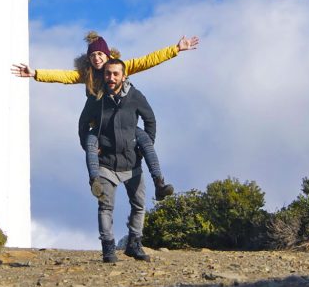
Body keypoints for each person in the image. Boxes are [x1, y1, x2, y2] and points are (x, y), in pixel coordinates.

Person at [12, 32, 198, 200]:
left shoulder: (120, 68)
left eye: (100, 54)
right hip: (100, 125)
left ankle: (159, 183)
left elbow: (147, 60)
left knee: (145, 139)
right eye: (92, 55)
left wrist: (176, 49)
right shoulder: (88, 75)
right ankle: (95, 182)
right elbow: (64, 76)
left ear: (107, 54)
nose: (96, 58)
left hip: (124, 123)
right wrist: (35, 73)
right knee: (90, 143)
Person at [78, 58, 156, 263]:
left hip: (132, 162)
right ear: (103, 75)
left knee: (139, 205)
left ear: (123, 75)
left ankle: (134, 244)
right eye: (107, 73)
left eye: (115, 74)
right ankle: (108, 249)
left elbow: (150, 120)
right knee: (105, 207)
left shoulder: (135, 96)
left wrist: (145, 145)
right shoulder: (96, 98)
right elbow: (83, 124)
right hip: (105, 163)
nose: (111, 78)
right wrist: (89, 146)